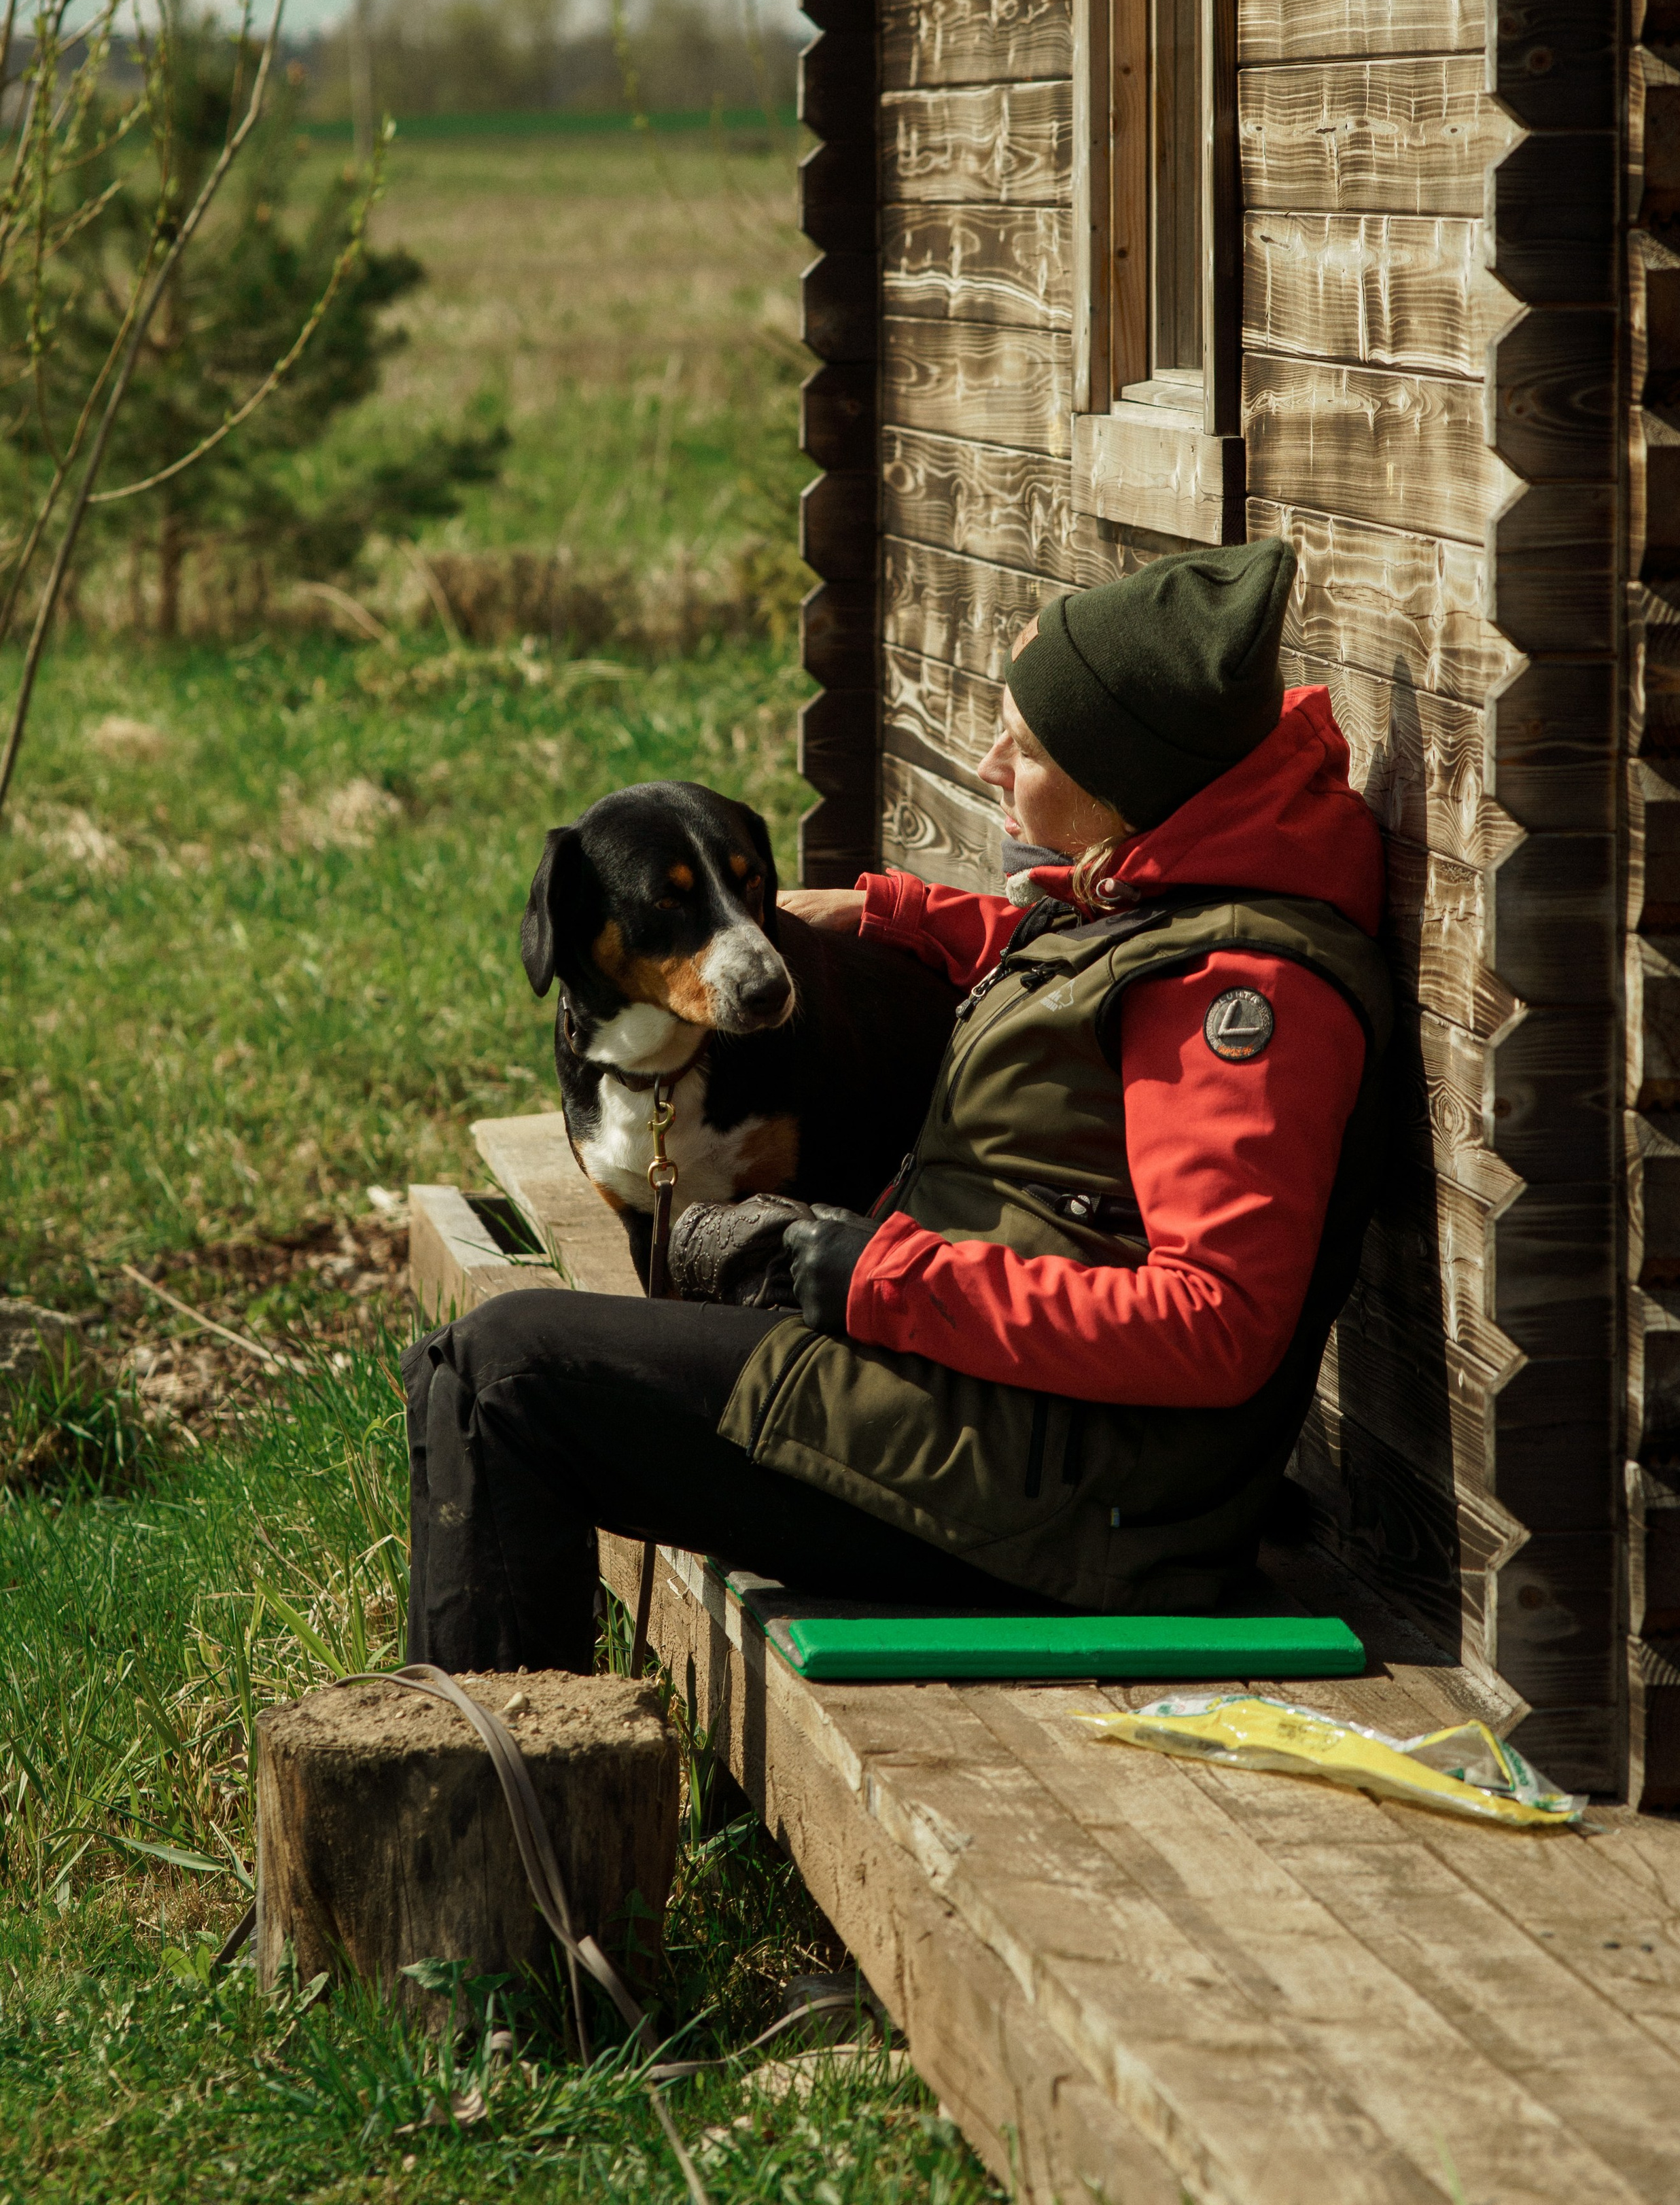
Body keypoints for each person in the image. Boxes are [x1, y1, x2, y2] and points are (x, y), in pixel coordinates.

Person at [403, 537, 1390, 1671]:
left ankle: (497, 1772)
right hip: (986, 1426)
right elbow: (1080, 977)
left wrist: (873, 1275)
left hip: (1052, 1502)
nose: (989, 762)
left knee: (503, 1373)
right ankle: (488, 1738)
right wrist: (896, 915)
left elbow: (1212, 1325)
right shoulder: (1177, 902)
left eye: (1027, 746)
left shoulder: (1241, 1002)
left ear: (1126, 780)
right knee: (473, 1364)